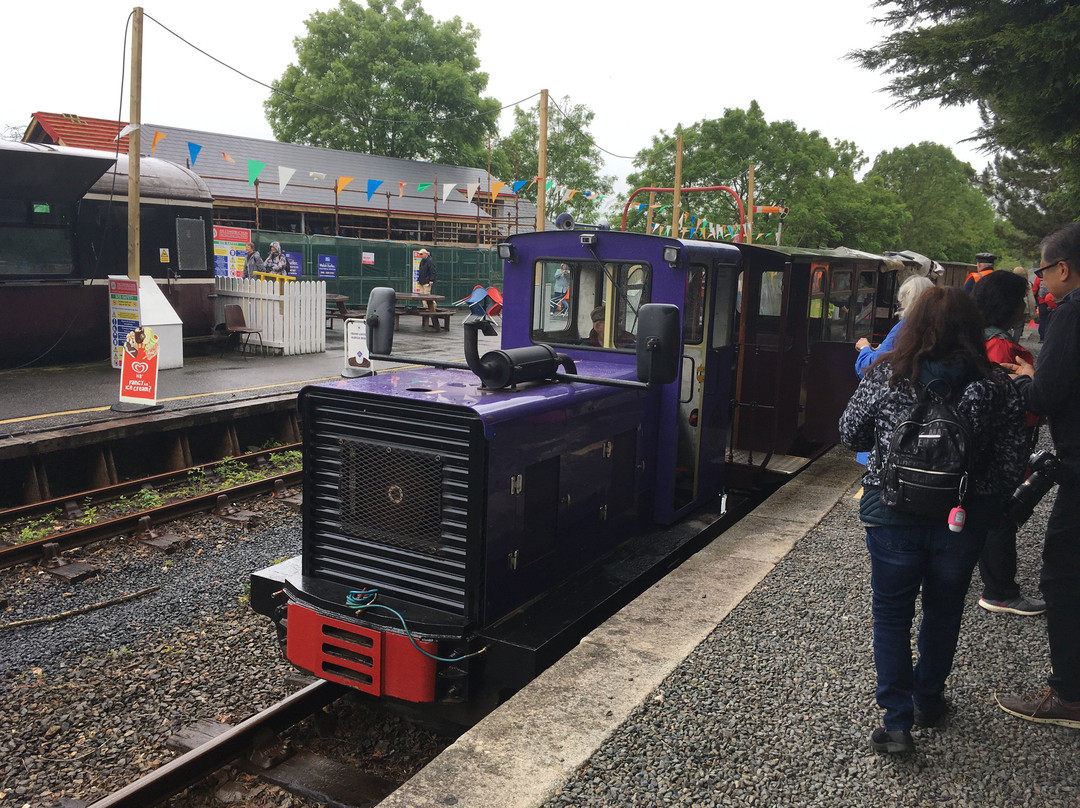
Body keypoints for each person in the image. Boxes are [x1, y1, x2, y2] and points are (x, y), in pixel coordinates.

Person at [839, 286, 1026, 754]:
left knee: (891, 613)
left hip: (891, 514)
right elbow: (1009, 463)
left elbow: (849, 433)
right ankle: (928, 700)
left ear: (915, 324)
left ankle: (897, 722)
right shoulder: (997, 385)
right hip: (961, 522)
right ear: (972, 328)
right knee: (944, 611)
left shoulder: (887, 375)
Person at [996, 221, 1080, 728]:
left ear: (1063, 268)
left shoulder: (1071, 313)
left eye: (1043, 269)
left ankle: (1068, 694)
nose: (1041, 279)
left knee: (1063, 574)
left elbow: (1047, 396)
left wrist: (1029, 379)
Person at [971, 270, 1045, 616]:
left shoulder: (974, 336)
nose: (1027, 305)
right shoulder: (1000, 345)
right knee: (998, 514)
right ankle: (1000, 589)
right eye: (1022, 299)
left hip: (982, 440)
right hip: (1000, 443)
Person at [854, 275, 934, 378]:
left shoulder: (905, 327)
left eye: (901, 301)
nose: (900, 304)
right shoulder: (937, 326)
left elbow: (869, 368)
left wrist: (865, 348)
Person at [1011, 266, 1036, 342]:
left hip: (1010, 308)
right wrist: (1032, 314)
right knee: (1019, 327)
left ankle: (1008, 342)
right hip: (1022, 309)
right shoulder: (1027, 284)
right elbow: (1031, 299)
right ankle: (1015, 343)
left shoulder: (1009, 282)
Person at [1033, 271, 1057, 342]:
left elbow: (1034, 290)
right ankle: (1051, 336)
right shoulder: (1054, 277)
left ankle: (1042, 337)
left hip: (1042, 301)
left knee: (1043, 319)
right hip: (1053, 301)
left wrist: (1036, 301)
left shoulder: (1039, 278)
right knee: (1053, 319)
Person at [417, 248, 437, 315]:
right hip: (422, 281)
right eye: (420, 254)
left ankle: (433, 306)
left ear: (425, 254)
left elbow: (432, 271)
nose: (420, 255)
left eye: (421, 254)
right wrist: (419, 279)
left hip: (427, 281)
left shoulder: (430, 261)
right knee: (422, 295)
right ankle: (425, 308)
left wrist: (431, 280)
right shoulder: (422, 261)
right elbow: (420, 271)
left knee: (427, 295)